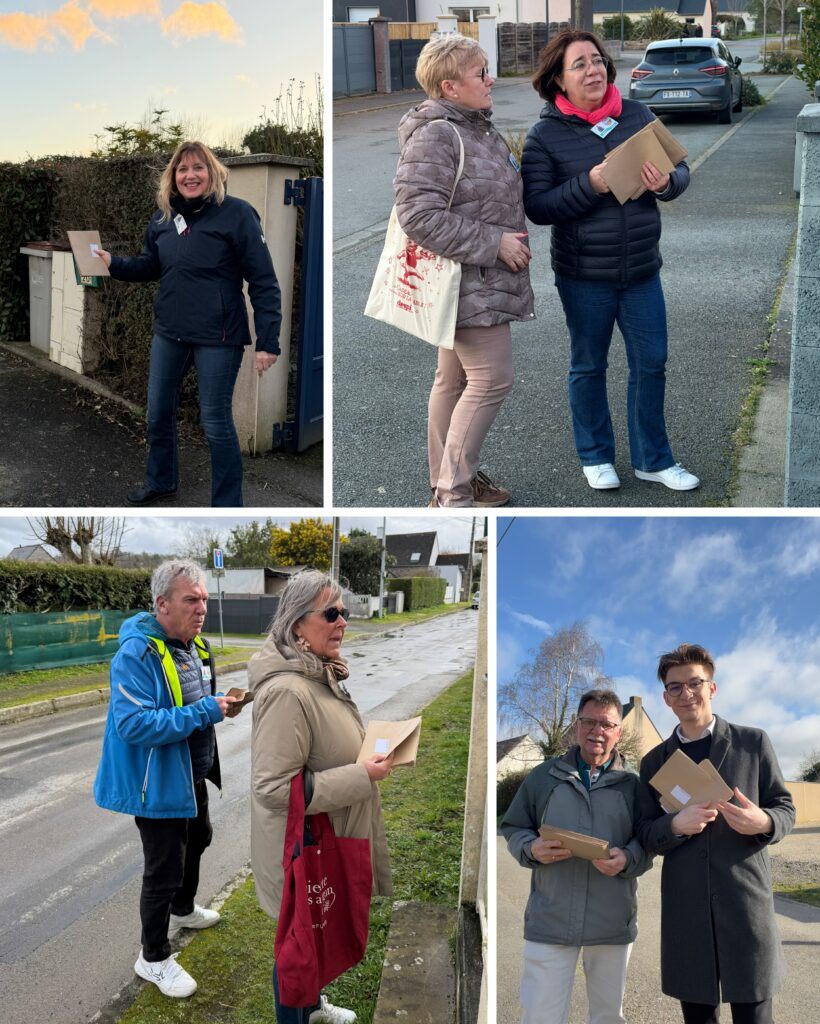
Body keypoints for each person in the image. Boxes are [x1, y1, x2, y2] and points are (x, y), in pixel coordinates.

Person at [522, 30, 699, 493]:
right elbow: (537, 206)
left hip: (641, 269)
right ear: (558, 80)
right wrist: (591, 184)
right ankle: (596, 455)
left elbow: (681, 170)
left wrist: (666, 184)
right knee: (588, 365)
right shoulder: (544, 135)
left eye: (597, 60)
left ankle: (653, 460)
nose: (593, 70)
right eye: (579, 64)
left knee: (652, 363)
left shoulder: (637, 115)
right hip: (584, 275)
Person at [95, 140, 281, 508]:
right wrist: (113, 263)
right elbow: (151, 266)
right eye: (182, 169)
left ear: (212, 173)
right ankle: (161, 481)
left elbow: (263, 280)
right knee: (157, 413)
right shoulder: (163, 219)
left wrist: (268, 341)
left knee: (215, 422)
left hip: (218, 337)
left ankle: (227, 505)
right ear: (173, 177)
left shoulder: (237, 214)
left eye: (198, 167)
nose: (190, 175)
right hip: (170, 332)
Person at [394, 35, 535, 508]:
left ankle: (449, 481)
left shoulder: (475, 128)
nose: (490, 79)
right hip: (469, 285)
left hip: (472, 282)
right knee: (492, 380)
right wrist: (495, 243)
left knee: (452, 382)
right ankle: (452, 495)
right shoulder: (438, 134)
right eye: (481, 73)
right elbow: (418, 215)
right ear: (450, 87)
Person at [247, 570, 394, 1024]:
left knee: (314, 935)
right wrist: (361, 776)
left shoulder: (317, 673)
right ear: (297, 624)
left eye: (344, 612)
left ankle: (312, 1007)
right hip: (302, 849)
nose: (343, 621)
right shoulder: (287, 691)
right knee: (298, 947)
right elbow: (273, 788)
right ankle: (298, 1014)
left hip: (324, 837)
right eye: (331, 613)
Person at [93, 559, 240, 998]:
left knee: (200, 839)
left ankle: (184, 907)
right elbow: (133, 724)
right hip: (157, 785)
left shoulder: (196, 647)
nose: (202, 609)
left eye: (204, 600)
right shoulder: (136, 654)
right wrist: (206, 711)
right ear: (162, 604)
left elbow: (194, 700)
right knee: (163, 871)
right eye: (191, 600)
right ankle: (153, 957)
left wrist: (221, 705)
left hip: (193, 776)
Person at [637, 643, 795, 1024]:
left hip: (745, 905)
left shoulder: (753, 743)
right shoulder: (653, 762)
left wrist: (765, 822)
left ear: (712, 687)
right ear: (666, 697)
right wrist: (674, 826)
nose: (686, 693)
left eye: (695, 683)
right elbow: (643, 831)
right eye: (675, 687)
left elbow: (784, 808)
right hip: (686, 912)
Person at [501, 689, 652, 1024]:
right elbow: (514, 826)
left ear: (618, 732)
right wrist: (531, 848)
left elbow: (648, 842)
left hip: (611, 920)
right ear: (576, 725)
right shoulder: (544, 777)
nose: (597, 730)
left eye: (607, 724)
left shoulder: (634, 785)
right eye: (589, 721)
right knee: (540, 1017)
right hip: (551, 919)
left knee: (608, 1017)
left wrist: (628, 858)